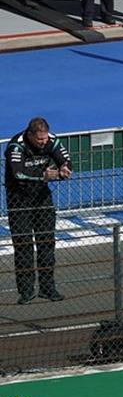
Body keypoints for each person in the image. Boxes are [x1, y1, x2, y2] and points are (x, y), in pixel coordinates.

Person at [4, 118, 71, 304]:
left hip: (42, 200)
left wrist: (65, 168)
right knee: (23, 246)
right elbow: (18, 173)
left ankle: (47, 288)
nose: (43, 142)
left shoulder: (51, 140)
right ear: (30, 135)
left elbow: (65, 158)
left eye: (45, 139)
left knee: (47, 243)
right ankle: (26, 291)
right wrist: (43, 175)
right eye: (39, 140)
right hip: (19, 202)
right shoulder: (16, 146)